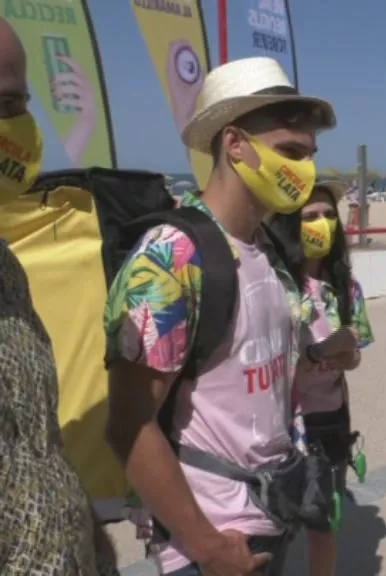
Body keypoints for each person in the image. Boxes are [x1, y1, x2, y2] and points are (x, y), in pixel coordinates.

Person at [103, 57, 352, 576]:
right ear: (235, 144)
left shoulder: (269, 250)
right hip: (208, 545)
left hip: (267, 521)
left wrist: (318, 357)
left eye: (310, 154)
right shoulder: (170, 260)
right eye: (290, 151)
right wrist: (209, 547)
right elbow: (128, 424)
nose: (305, 168)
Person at [0, 17, 119, 576]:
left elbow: (37, 444)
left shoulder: (8, 268)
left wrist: (91, 536)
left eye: (12, 106)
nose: (8, 130)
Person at [269, 180, 375, 576]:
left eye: (330, 215)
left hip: (329, 419)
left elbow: (355, 360)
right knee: (273, 524)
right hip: (281, 425)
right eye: (310, 215)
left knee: (324, 523)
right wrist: (317, 352)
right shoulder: (274, 286)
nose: (323, 224)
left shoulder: (346, 288)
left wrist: (344, 356)